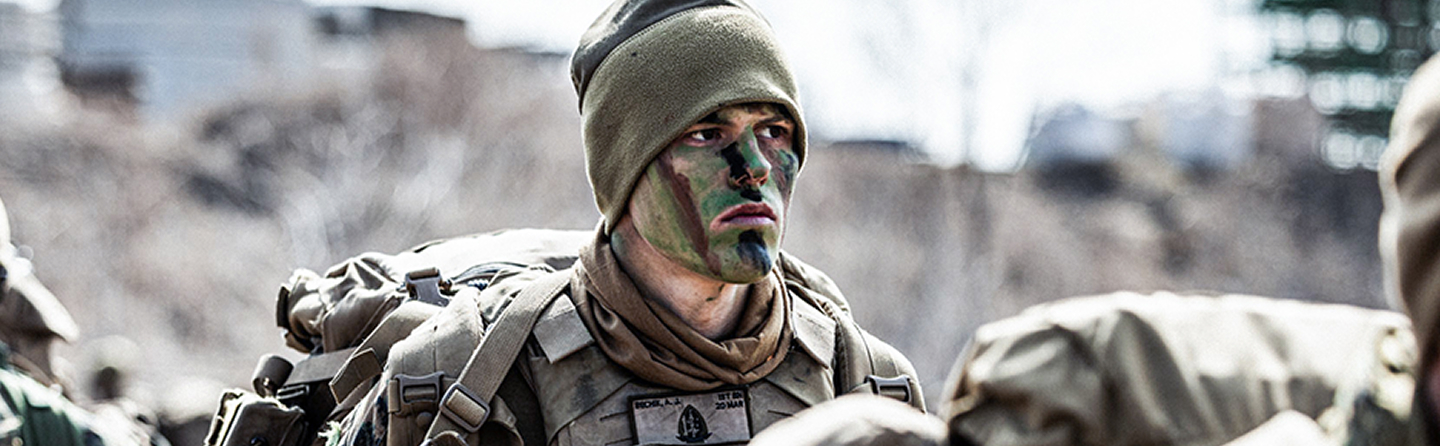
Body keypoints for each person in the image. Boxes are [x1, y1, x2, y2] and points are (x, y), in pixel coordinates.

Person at [327, 1, 922, 445]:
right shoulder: (461, 380)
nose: (754, 167)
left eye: (774, 130)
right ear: (624, 166)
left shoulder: (869, 381)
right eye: (706, 133)